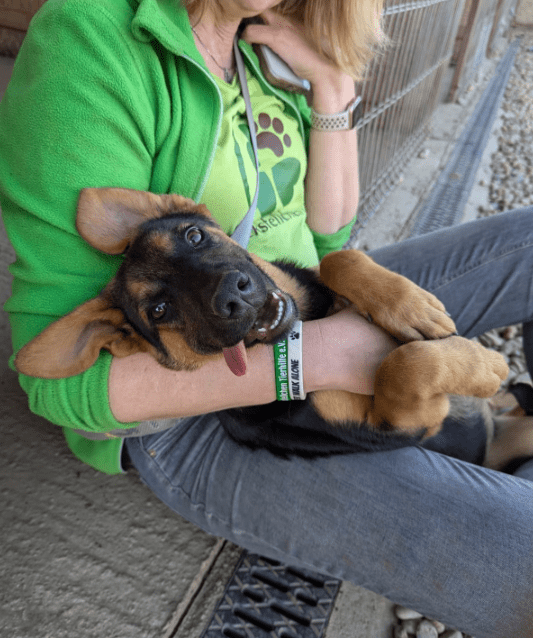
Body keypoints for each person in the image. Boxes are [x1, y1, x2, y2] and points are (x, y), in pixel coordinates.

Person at [1, 0, 533, 635]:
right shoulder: (92, 41)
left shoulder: (266, 47)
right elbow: (55, 380)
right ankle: (506, 438)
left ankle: (508, 437)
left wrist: (333, 87)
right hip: (202, 416)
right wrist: (315, 356)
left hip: (310, 296)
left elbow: (329, 237)